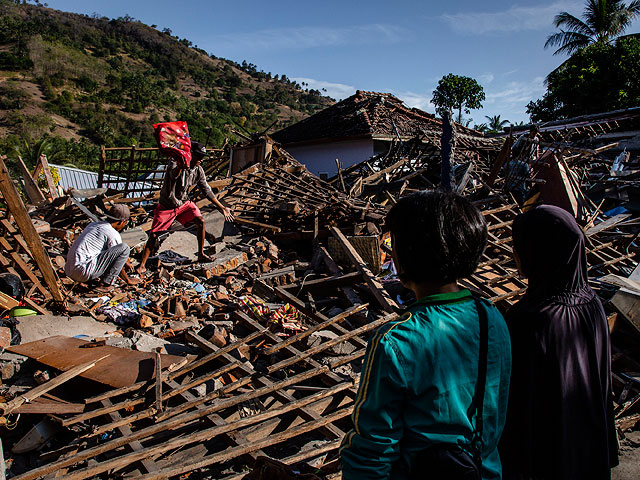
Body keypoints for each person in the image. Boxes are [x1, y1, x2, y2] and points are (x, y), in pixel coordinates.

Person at [340, 190, 512, 480]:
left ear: (410, 253)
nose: (390, 252)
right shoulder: (491, 318)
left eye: (393, 244)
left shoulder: (396, 341)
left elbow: (371, 450)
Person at [499, 205, 618, 480]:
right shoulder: (594, 304)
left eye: (519, 246)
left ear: (538, 253)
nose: (514, 254)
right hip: (588, 450)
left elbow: (518, 411)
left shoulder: (530, 319)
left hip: (549, 458)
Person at [137, 141, 234, 274]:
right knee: (154, 234)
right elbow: (173, 175)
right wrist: (182, 165)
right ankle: (142, 265)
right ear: (190, 154)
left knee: (200, 221)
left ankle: (200, 254)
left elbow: (206, 189)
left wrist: (222, 207)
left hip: (183, 203)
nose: (200, 160)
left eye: (202, 157)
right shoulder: (175, 163)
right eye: (198, 156)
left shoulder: (198, 170)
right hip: (168, 205)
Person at [65, 204, 140, 292]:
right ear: (121, 222)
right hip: (83, 272)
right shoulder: (112, 233)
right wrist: (128, 280)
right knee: (124, 248)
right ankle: (106, 284)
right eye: (125, 223)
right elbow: (117, 258)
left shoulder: (93, 225)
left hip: (69, 270)